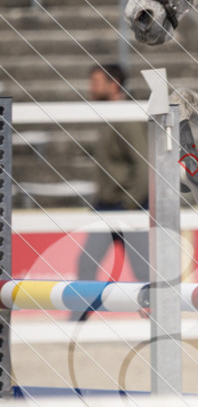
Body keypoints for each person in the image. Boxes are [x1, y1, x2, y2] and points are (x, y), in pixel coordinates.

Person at [76, 64, 149, 288]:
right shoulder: (111, 115)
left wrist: (128, 204)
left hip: (126, 206)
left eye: (96, 83)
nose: (91, 88)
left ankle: (159, 317)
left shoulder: (125, 117)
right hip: (109, 206)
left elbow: (144, 165)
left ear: (114, 84)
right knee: (86, 264)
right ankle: (77, 318)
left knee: (143, 270)